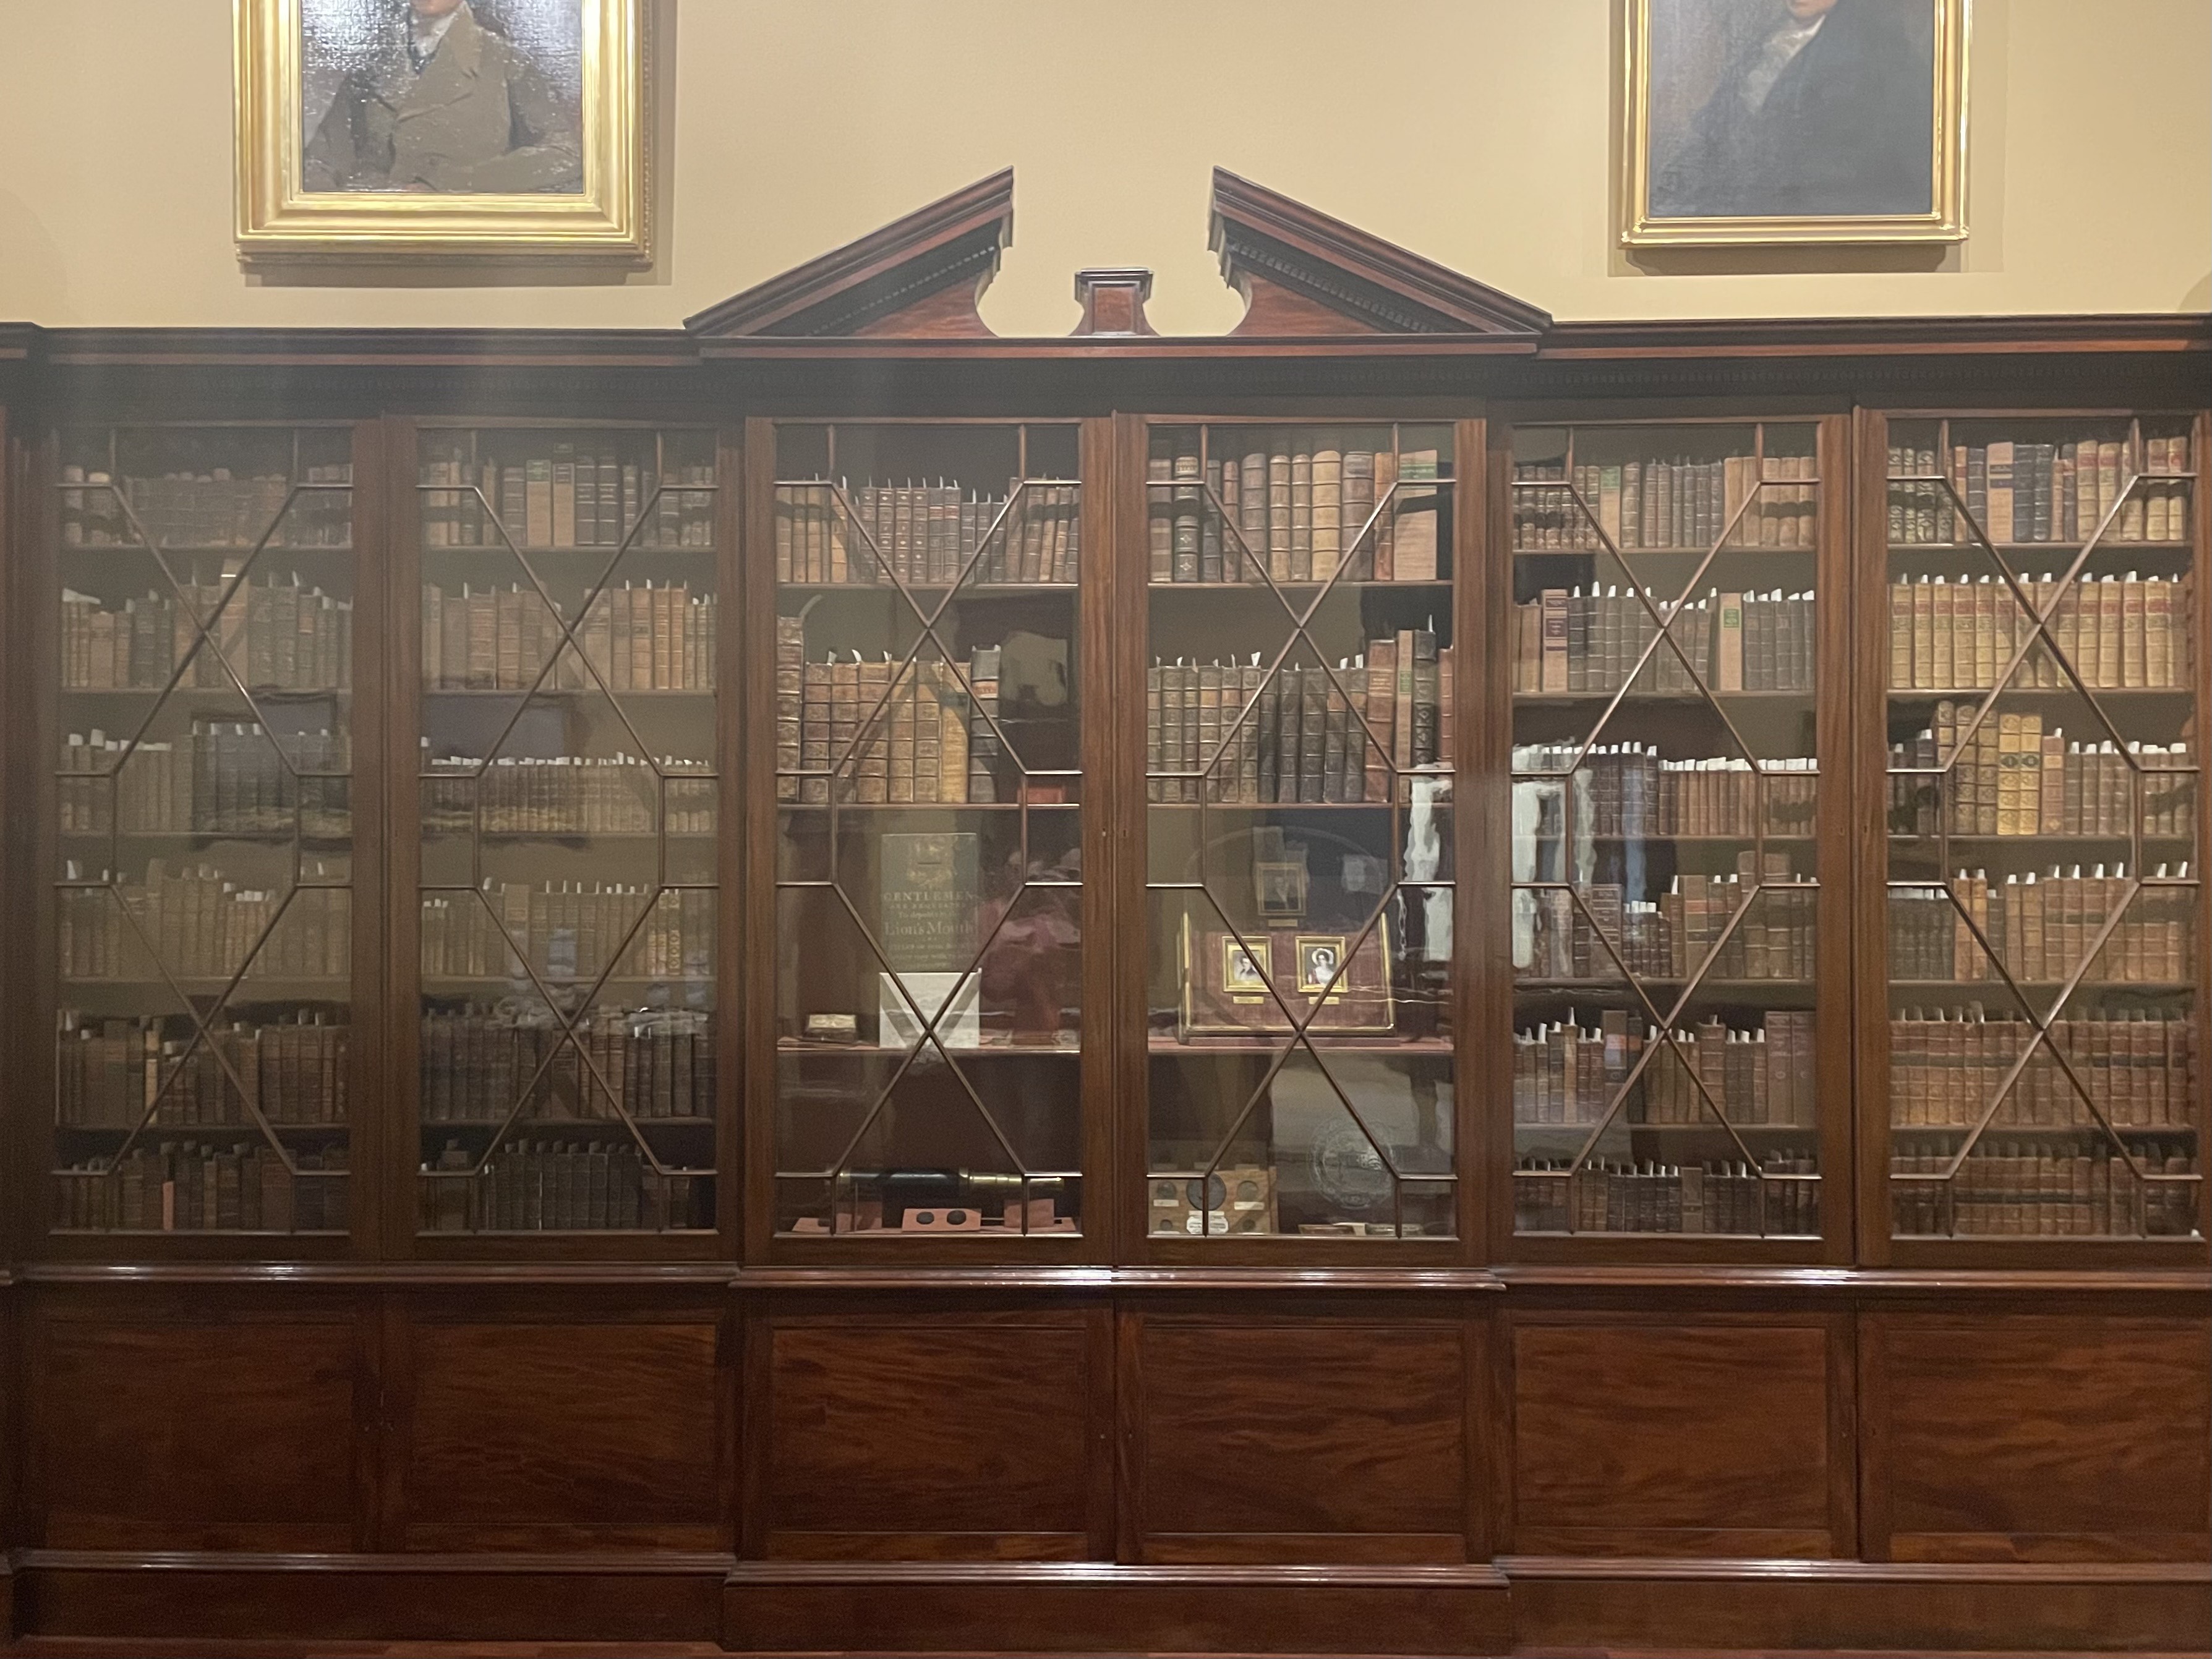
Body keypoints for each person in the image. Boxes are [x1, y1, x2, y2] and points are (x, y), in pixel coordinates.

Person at [1651, 0, 1933, 220]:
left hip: (1821, 212)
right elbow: (1718, 125)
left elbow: (1855, 166)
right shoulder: (1770, 38)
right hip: (1742, 198)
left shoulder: (1878, 55)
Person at [304, 0, 582, 194]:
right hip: (378, 232)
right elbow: (323, 159)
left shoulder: (503, 60)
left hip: (465, 234)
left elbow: (565, 154)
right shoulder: (374, 60)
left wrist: (454, 183)